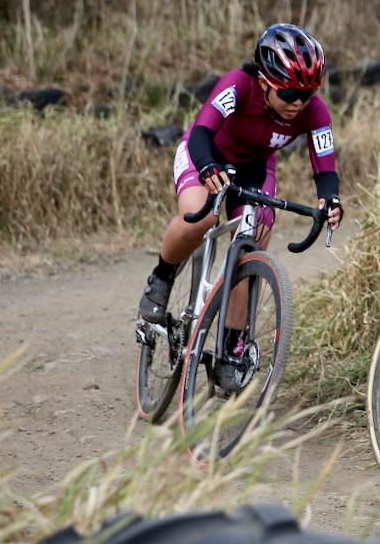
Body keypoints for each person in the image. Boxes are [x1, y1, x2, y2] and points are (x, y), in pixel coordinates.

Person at [138, 23, 344, 388]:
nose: (299, 102)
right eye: (290, 92)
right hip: (206, 153)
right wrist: (207, 167)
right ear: (265, 82)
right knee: (199, 219)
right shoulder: (238, 85)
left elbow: (325, 167)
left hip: (254, 167)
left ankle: (232, 344)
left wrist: (330, 201)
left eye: (308, 93)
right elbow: (201, 131)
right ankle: (161, 278)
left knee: (257, 232)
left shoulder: (313, 111)